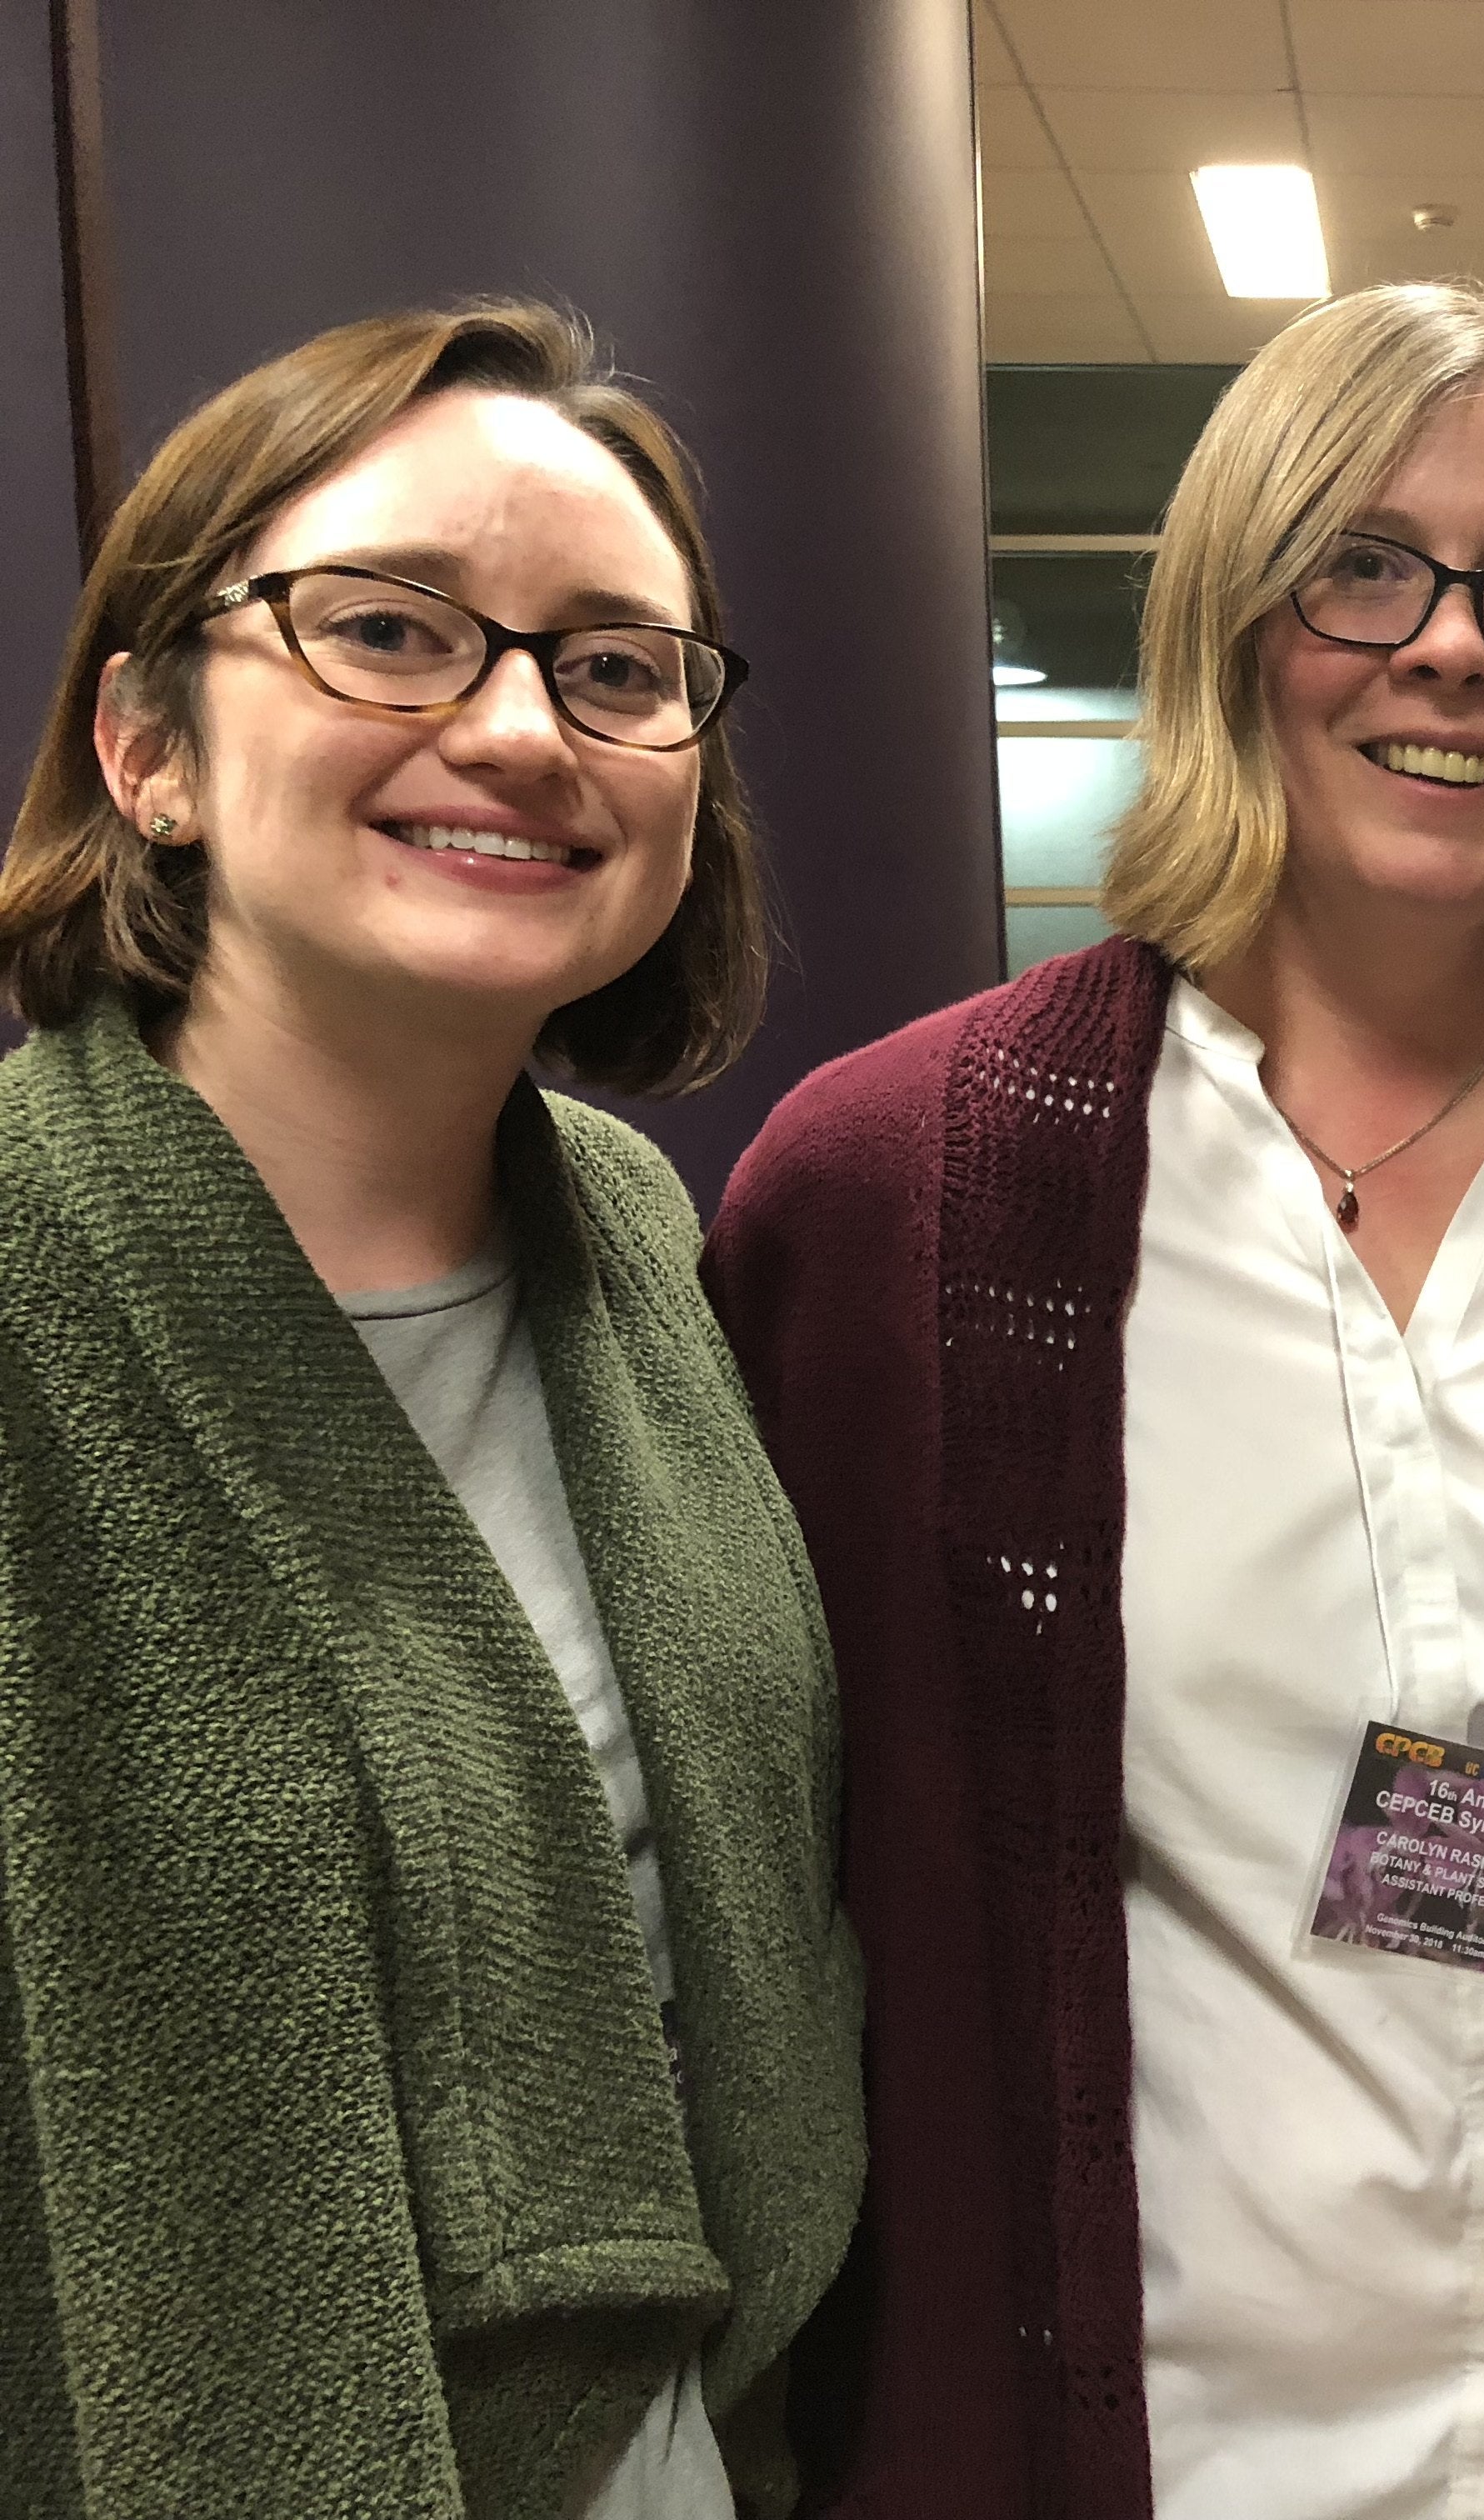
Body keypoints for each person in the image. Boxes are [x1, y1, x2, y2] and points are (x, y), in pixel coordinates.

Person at [704, 280, 1484, 2519]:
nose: (1454, 647)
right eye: (1365, 565)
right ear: (1230, 624)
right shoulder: (886, 1207)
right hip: (1118, 2455)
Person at [0, 302, 860, 2518]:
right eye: (389, 629)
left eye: (616, 667)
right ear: (146, 745)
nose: (517, 728)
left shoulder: (640, 1243)